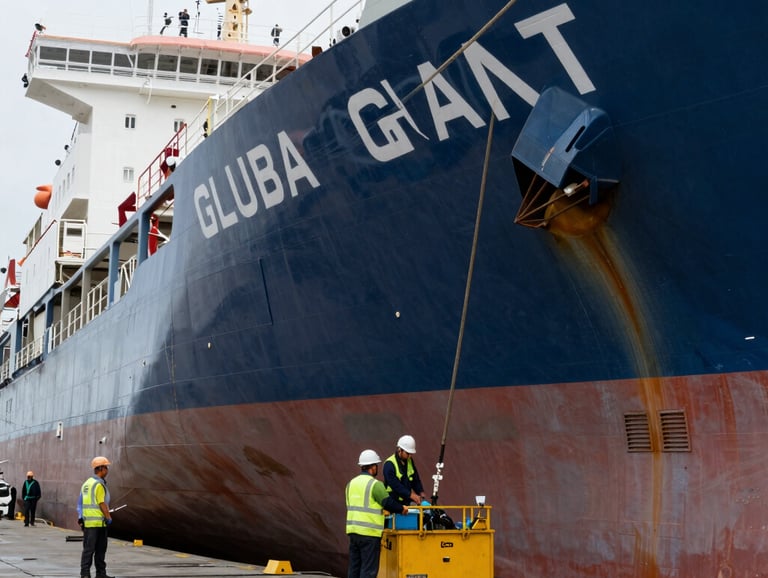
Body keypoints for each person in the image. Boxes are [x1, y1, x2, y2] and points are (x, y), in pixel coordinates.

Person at [346, 449, 407, 578]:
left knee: (354, 570)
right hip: (369, 534)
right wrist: (402, 508)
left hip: (353, 533)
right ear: (373, 467)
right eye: (376, 466)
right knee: (368, 571)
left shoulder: (350, 484)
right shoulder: (375, 484)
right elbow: (387, 502)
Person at [80, 456, 113, 578]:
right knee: (100, 550)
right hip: (99, 523)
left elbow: (83, 502)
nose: (107, 470)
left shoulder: (87, 484)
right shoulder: (99, 485)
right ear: (101, 469)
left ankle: (85, 574)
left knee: (88, 550)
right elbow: (101, 503)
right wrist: (108, 517)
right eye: (106, 468)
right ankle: (100, 574)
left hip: (88, 523)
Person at [382, 435, 427, 505]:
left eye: (411, 454)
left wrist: (420, 492)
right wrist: (411, 495)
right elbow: (395, 485)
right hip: (393, 501)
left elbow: (415, 479)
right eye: (408, 453)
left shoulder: (409, 461)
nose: (410, 456)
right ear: (400, 450)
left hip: (406, 500)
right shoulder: (389, 464)